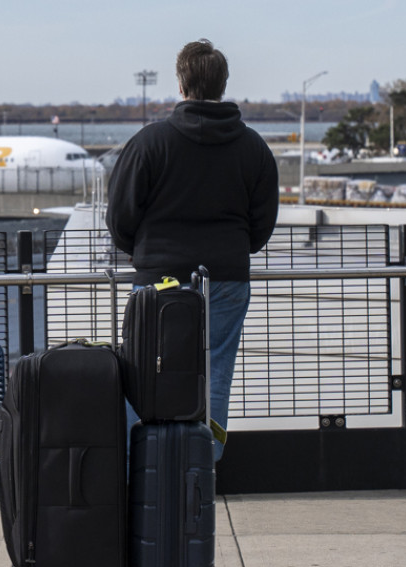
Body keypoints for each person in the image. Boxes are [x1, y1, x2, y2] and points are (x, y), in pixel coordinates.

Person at [106, 39, 278, 461]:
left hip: (157, 279)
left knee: (144, 369)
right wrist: (238, 249)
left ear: (181, 84)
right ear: (223, 84)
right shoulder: (254, 147)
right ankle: (202, 468)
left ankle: (143, 467)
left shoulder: (149, 143)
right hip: (227, 278)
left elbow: (120, 216)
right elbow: (262, 223)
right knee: (215, 372)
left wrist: (138, 251)